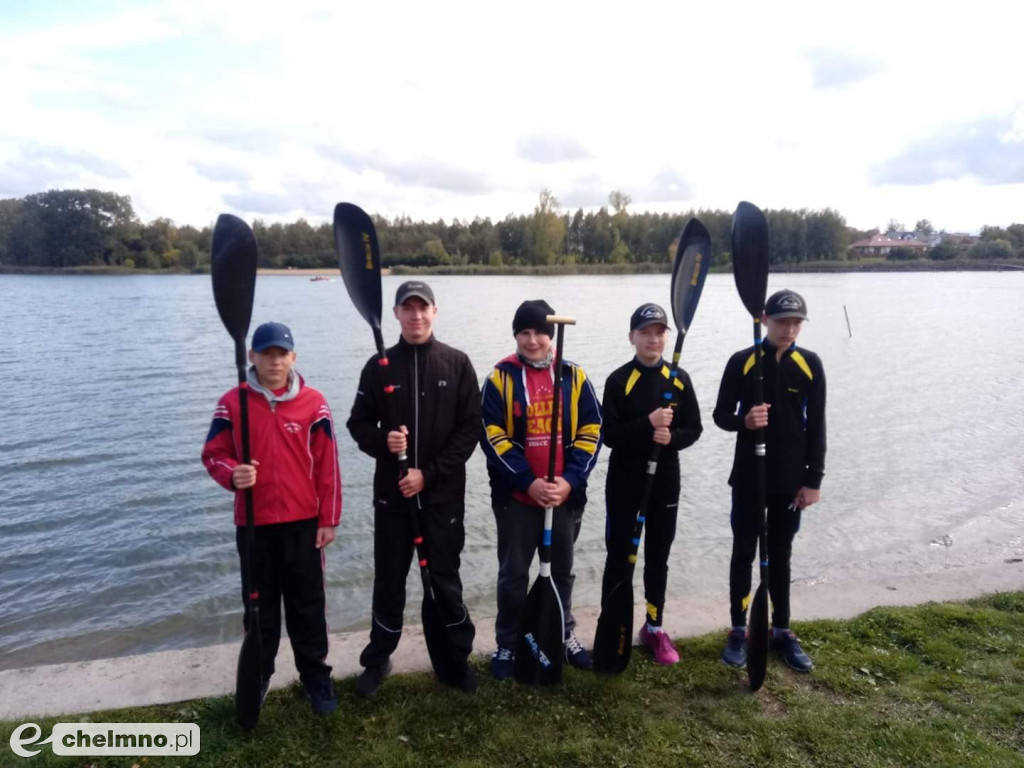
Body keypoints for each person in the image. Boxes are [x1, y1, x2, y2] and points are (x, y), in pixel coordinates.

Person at [347, 280, 480, 697]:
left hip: (441, 498)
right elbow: (358, 424)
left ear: (435, 312)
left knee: (444, 579)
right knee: (389, 581)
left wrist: (430, 473)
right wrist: (383, 442)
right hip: (393, 497)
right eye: (408, 308)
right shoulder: (378, 366)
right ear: (397, 314)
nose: (416, 316)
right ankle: (378, 659)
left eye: (423, 308)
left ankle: (454, 660)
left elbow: (469, 430)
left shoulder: (457, 364)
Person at [202, 321, 342, 716]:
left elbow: (328, 466)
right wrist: (233, 473)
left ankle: (315, 676)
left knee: (308, 607)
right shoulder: (233, 402)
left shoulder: (314, 402)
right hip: (253, 526)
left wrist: (328, 518)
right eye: (266, 353)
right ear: (252, 357)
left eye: (282, 354)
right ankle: (259, 675)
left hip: (303, 524)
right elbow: (213, 454)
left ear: (293, 358)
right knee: (259, 609)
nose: (274, 361)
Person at [480, 299, 603, 679]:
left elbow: (592, 431)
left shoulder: (574, 376)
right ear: (516, 334)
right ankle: (508, 642)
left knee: (562, 572)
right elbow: (492, 436)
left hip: (563, 500)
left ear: (552, 337)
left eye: (540, 333)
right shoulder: (499, 378)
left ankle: (562, 633)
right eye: (524, 332)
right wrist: (528, 482)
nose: (532, 340)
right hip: (518, 500)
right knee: (513, 575)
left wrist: (569, 481)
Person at [713, 289, 826, 672]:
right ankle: (737, 629)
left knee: (781, 555)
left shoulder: (810, 364)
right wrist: (744, 421)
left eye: (796, 323)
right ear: (765, 320)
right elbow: (720, 415)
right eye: (782, 321)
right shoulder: (743, 362)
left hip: (789, 482)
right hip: (748, 476)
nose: (789, 328)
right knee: (743, 552)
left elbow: (818, 428)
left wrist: (813, 480)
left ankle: (782, 629)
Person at [599, 302, 703, 665]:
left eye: (660, 332)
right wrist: (649, 422)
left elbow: (694, 428)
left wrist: (670, 438)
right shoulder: (618, 381)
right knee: (619, 558)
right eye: (645, 332)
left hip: (664, 482)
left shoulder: (679, 379)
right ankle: (612, 626)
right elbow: (609, 435)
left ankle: (654, 628)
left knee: (658, 557)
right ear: (632, 337)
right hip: (626, 482)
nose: (653, 338)